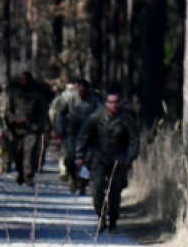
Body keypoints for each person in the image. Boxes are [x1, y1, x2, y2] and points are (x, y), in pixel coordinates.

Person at [76, 86, 140, 233]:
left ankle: (113, 222)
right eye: (110, 102)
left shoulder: (126, 120)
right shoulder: (96, 117)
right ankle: (101, 217)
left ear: (120, 103)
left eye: (116, 102)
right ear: (106, 103)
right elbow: (83, 136)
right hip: (98, 158)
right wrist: (80, 156)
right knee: (97, 189)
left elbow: (134, 140)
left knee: (115, 192)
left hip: (118, 158)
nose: (113, 105)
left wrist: (129, 158)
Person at [56, 79, 102, 194]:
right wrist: (59, 130)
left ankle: (82, 182)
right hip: (72, 132)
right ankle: (73, 176)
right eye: (80, 91)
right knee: (70, 158)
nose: (82, 94)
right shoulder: (70, 98)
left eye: (84, 91)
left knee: (86, 161)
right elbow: (59, 114)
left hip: (89, 134)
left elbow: (102, 116)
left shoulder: (94, 101)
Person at [4, 71, 50, 185]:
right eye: (22, 79)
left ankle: (28, 175)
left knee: (29, 152)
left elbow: (43, 112)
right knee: (18, 152)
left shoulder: (37, 95)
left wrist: (46, 127)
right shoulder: (14, 94)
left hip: (32, 128)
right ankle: (20, 172)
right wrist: (13, 119)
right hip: (17, 129)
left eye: (26, 80)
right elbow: (8, 111)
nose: (24, 82)